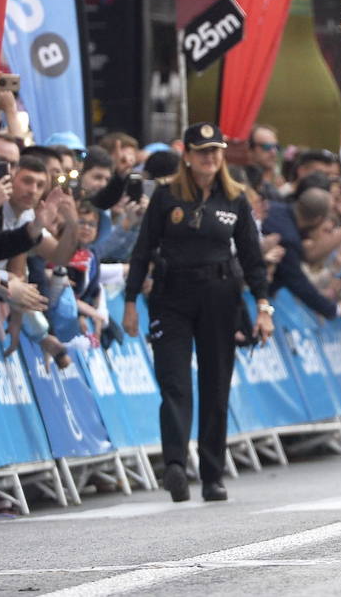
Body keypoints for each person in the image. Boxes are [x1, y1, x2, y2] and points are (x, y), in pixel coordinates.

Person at [121, 122, 274, 503]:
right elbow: (142, 250)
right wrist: (129, 302)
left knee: (215, 384)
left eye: (216, 150)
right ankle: (174, 464)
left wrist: (263, 307)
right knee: (174, 381)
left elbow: (253, 259)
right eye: (203, 150)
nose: (211, 157)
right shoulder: (167, 196)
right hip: (171, 295)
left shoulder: (235, 198)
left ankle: (211, 473)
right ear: (187, 155)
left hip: (219, 297)